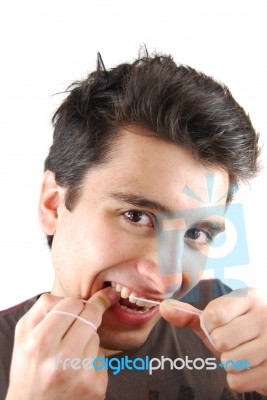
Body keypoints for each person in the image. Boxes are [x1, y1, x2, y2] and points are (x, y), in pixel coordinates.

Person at [0, 51, 266, 400]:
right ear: (53, 203)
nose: (168, 279)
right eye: (136, 216)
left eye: (195, 233)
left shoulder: (227, 328)